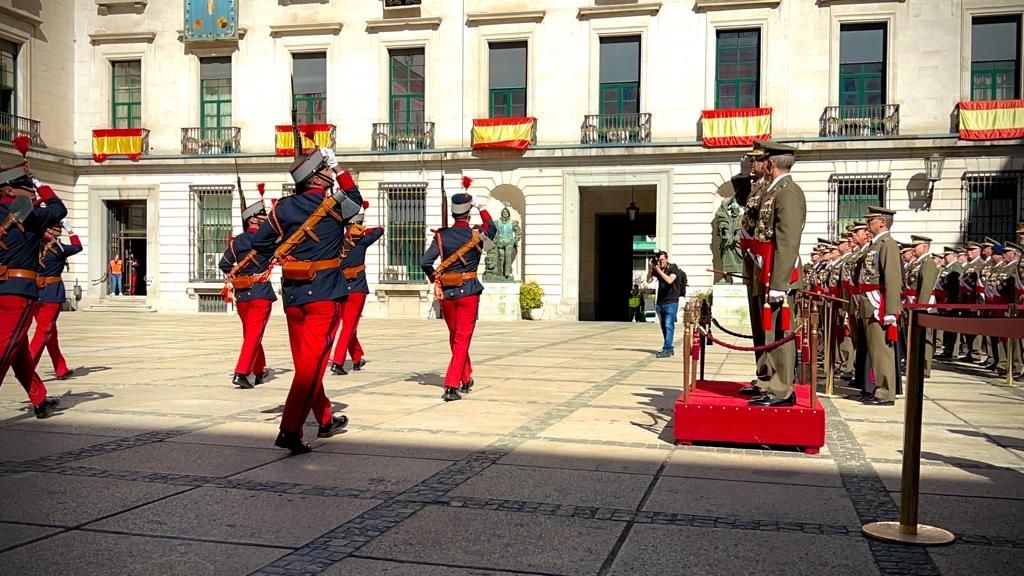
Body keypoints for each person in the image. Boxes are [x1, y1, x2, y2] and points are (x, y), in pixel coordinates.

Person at [249, 147, 361, 454]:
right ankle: (289, 429)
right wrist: (341, 170)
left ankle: (324, 419)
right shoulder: (335, 206)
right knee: (311, 366)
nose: (330, 175)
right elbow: (357, 200)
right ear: (318, 177)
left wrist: (283, 248)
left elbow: (259, 243)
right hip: (324, 294)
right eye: (326, 170)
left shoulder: (282, 208)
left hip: (294, 294)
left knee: (306, 362)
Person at [0, 164, 66, 418]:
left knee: (19, 353)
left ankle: (39, 399)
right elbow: (59, 209)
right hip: (16, 293)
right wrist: (43, 187)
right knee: (5, 348)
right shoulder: (26, 213)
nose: (29, 193)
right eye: (25, 187)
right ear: (9, 188)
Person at [421, 189, 497, 401]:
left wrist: (434, 278)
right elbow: (493, 228)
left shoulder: (442, 236)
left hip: (447, 292)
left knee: (455, 337)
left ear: (453, 213)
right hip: (469, 292)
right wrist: (482, 208)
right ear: (468, 213)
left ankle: (466, 376)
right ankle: (451, 385)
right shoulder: (477, 233)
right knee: (462, 339)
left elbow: (425, 262)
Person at [744, 140, 805, 407]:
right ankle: (770, 383)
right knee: (770, 331)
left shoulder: (788, 192)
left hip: (780, 272)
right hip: (766, 268)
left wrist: (779, 283)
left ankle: (782, 389)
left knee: (781, 331)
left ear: (770, 164)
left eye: (762, 160)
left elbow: (788, 240)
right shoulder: (772, 191)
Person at [219, 192, 274, 390]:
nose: (265, 218)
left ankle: (259, 370)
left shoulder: (237, 242)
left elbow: (224, 264)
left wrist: (238, 279)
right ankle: (241, 372)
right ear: (253, 218)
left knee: (251, 334)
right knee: (253, 335)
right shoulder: (267, 240)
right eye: (262, 215)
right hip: (260, 293)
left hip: (242, 295)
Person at [856, 206, 902, 406]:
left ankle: (885, 392)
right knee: (873, 350)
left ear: (882, 222)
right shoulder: (874, 245)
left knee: (882, 350)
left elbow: (892, 278)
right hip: (868, 302)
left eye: (870, 221)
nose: (867, 225)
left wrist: (891, 310)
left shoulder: (887, 244)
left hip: (878, 304)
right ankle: (875, 388)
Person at [330, 210, 384, 375]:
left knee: (347, 325)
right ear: (358, 225)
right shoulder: (362, 240)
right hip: (357, 289)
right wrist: (363, 231)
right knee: (349, 326)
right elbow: (380, 230)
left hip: (339, 288)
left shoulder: (336, 241)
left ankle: (356, 357)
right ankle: (338, 361)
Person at [30, 219, 83, 380]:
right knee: (44, 331)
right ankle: (28, 367)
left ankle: (61, 368)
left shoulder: (31, 245)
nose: (59, 230)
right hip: (51, 293)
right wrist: (71, 231)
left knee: (50, 332)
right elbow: (77, 247)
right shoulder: (59, 248)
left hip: (33, 292)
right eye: (58, 228)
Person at [647, 250, 685, 358]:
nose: (660, 262)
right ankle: (669, 347)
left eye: (662, 260)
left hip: (672, 302)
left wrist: (658, 270)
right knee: (664, 326)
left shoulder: (673, 267)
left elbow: (669, 280)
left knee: (669, 325)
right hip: (660, 303)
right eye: (659, 260)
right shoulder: (657, 268)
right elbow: (648, 280)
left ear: (667, 259)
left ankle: (667, 349)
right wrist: (651, 268)